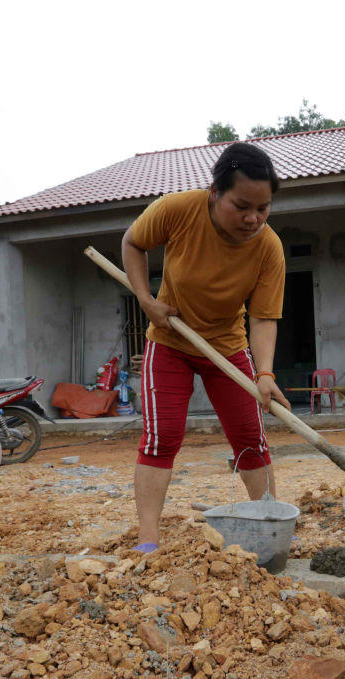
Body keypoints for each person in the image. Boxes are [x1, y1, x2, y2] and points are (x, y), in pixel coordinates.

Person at [121, 142, 291, 553]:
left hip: (227, 348)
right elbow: (132, 243)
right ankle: (148, 542)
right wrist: (146, 300)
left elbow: (264, 317)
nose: (253, 219)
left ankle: (271, 534)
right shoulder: (177, 210)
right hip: (170, 341)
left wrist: (265, 374)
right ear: (215, 192)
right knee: (162, 438)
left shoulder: (269, 247)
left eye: (263, 208)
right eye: (242, 205)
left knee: (252, 439)